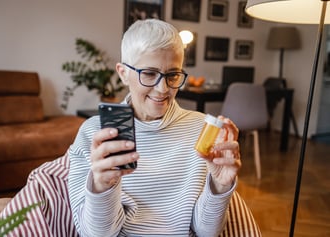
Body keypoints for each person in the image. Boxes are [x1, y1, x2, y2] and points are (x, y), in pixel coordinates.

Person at [67, 18, 241, 237]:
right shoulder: (94, 134)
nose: (162, 89)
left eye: (173, 75)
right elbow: (94, 235)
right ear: (123, 73)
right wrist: (102, 187)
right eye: (149, 74)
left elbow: (206, 232)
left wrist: (220, 186)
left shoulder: (202, 130)